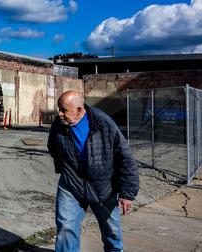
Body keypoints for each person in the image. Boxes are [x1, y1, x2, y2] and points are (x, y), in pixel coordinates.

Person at [47, 90, 139, 252]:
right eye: (58, 109)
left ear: (79, 110)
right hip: (72, 182)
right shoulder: (58, 124)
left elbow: (125, 158)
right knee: (66, 226)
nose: (59, 114)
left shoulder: (103, 123)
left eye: (64, 110)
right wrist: (61, 167)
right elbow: (53, 146)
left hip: (103, 185)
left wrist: (127, 193)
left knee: (112, 231)